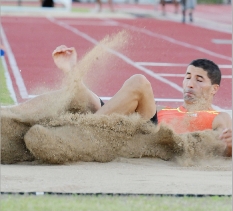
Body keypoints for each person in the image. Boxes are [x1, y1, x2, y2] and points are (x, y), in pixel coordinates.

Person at [10, 45, 232, 157]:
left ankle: (74, 129)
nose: (190, 84)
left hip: (152, 137)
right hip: (127, 127)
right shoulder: (168, 109)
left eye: (199, 80)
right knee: (80, 95)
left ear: (214, 89)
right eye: (187, 77)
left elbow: (227, 139)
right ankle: (12, 115)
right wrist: (73, 74)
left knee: (139, 82)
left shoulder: (218, 116)